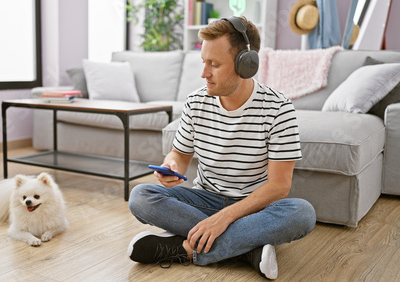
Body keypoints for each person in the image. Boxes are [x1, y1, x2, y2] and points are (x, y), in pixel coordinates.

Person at [126, 16, 316, 280]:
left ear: (246, 65)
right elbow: (180, 154)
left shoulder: (278, 108)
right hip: (204, 200)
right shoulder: (195, 102)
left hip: (254, 207)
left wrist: (225, 217)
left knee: (302, 214)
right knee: (141, 196)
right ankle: (246, 249)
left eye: (214, 64)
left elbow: (279, 187)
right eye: (203, 62)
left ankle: (184, 249)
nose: (204, 73)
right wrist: (172, 165)